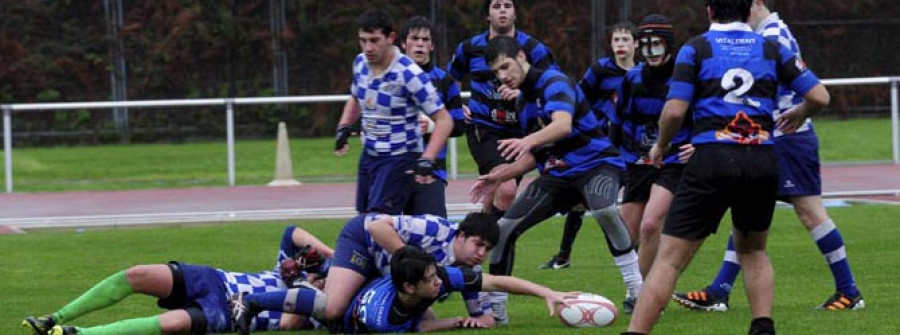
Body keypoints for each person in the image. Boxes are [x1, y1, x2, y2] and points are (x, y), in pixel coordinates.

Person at [623, 0, 831, 334]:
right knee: (754, 250)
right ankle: (762, 328)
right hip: (761, 159)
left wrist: (660, 145)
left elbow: (674, 112)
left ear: (709, 12)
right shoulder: (771, 47)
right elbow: (820, 96)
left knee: (670, 258)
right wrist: (800, 113)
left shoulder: (696, 49)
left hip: (713, 159)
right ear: (749, 12)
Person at [672, 0, 864, 312]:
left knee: (810, 212)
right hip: (768, 137)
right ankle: (719, 289)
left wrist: (715, 137)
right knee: (747, 216)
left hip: (786, 136)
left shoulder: (771, 37)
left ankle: (849, 290)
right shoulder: (768, 33)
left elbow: (759, 98)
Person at [470, 35, 642, 323]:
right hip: (558, 174)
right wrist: (501, 176)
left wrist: (526, 140)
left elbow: (562, 126)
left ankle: (637, 290)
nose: (502, 77)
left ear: (522, 57)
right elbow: (536, 155)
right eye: (496, 72)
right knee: (503, 229)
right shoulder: (523, 101)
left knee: (604, 209)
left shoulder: (554, 81)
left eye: (505, 67)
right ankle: (498, 312)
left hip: (596, 165)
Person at [22, 226, 334, 335]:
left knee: (172, 325)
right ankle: (52, 319)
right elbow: (291, 231)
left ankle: (78, 333)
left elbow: (288, 325)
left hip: (227, 312)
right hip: (214, 279)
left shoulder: (325, 309)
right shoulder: (310, 269)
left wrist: (301, 286)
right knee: (138, 274)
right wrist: (326, 256)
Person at [236, 246, 571, 333]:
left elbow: (496, 281)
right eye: (431, 280)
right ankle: (250, 302)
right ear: (410, 286)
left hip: (370, 286)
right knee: (322, 309)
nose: (440, 283)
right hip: (346, 323)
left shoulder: (434, 278)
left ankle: (314, 272)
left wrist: (547, 292)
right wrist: (450, 322)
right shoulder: (383, 319)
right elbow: (418, 325)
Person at [253, 212, 499, 329]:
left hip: (385, 272)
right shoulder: (434, 229)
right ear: (462, 236)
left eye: (487, 249)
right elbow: (376, 227)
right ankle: (311, 277)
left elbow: (485, 315)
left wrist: (476, 320)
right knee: (333, 309)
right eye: (478, 245)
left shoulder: (470, 265)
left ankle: (328, 273)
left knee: (424, 320)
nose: (481, 254)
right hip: (362, 243)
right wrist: (409, 258)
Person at [539, 21, 639, 270]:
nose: (620, 45)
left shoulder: (643, 73)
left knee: (619, 204)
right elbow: (578, 96)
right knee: (588, 199)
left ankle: (630, 256)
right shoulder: (602, 70)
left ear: (636, 44)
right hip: (599, 145)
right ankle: (564, 255)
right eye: (616, 40)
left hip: (631, 145)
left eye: (626, 39)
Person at [333, 9, 453, 216]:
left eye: (374, 40)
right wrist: (344, 126)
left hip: (399, 159)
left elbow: (444, 120)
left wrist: (427, 158)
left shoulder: (409, 74)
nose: (368, 48)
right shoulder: (360, 63)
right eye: (363, 41)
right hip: (369, 156)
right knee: (364, 219)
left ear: (391, 38)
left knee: (377, 223)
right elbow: (355, 96)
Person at [447, 0, 558, 221]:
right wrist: (457, 105)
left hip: (519, 134)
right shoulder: (469, 48)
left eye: (507, 5)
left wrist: (524, 92)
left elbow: (553, 84)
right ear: (488, 14)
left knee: (495, 197)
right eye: (496, 6)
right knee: (506, 190)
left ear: (515, 13)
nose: (502, 10)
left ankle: (478, 241)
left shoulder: (532, 48)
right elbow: (449, 79)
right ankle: (501, 248)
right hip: (483, 128)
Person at [613, 15, 692, 278]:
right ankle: (639, 284)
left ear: (668, 45)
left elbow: (703, 117)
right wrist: (614, 159)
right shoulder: (632, 79)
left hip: (672, 161)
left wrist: (697, 144)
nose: (651, 52)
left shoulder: (684, 78)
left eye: (657, 45)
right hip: (637, 162)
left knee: (650, 224)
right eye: (645, 46)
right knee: (625, 235)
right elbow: (618, 122)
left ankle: (642, 294)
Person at [399, 16, 467, 217]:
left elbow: (460, 126)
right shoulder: (391, 77)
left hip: (432, 172)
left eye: (425, 39)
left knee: (433, 234)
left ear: (432, 46)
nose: (420, 43)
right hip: (394, 170)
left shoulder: (445, 81)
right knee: (384, 234)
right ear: (404, 44)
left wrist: (431, 125)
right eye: (415, 38)